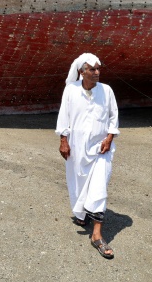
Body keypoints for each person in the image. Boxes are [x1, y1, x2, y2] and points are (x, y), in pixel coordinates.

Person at [56, 53, 120, 260]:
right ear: (81, 72)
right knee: (78, 183)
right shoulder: (71, 90)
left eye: (98, 68)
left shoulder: (107, 90)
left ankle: (97, 235)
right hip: (76, 148)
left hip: (101, 148)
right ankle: (82, 214)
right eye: (92, 69)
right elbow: (63, 116)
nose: (97, 73)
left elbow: (113, 116)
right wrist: (63, 141)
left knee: (99, 187)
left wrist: (109, 138)